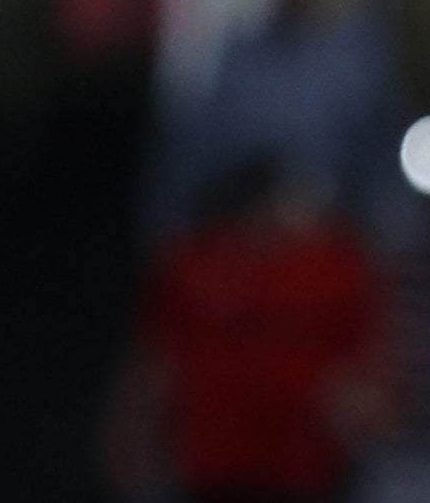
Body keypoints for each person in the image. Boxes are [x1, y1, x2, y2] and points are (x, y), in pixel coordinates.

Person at [107, 157, 394, 503]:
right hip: (214, 465)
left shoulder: (334, 264)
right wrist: (128, 441)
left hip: (302, 466)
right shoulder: (194, 261)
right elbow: (154, 363)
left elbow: (371, 367)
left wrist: (362, 415)